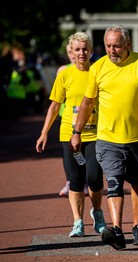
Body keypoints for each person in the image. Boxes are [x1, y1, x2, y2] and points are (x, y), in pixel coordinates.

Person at [69, 24, 138, 250]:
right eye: (108, 46)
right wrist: (77, 131)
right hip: (108, 137)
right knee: (113, 181)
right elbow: (88, 101)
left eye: (117, 46)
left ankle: (137, 226)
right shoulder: (98, 67)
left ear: (128, 45)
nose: (112, 51)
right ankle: (117, 230)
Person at [36, 32, 106, 237]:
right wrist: (44, 133)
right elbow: (54, 106)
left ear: (91, 51)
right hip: (68, 133)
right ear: (71, 53)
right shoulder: (65, 75)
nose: (81, 53)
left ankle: (98, 213)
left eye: (85, 49)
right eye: (77, 49)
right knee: (75, 180)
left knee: (94, 178)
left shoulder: (98, 72)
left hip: (94, 133)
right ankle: (78, 222)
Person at [56, 43, 76, 197]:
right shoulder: (63, 70)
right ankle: (69, 181)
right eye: (70, 51)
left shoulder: (91, 68)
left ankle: (85, 180)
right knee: (67, 150)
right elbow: (57, 96)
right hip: (66, 115)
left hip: (87, 117)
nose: (73, 54)